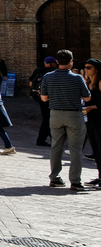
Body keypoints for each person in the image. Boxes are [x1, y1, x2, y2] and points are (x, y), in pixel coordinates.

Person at [40, 49, 92, 191]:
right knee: (75, 149)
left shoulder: (48, 77)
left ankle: (55, 178)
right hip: (74, 115)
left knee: (56, 146)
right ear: (71, 62)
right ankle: (75, 181)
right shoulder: (77, 78)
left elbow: (44, 98)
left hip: (55, 114)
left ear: (57, 62)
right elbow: (87, 98)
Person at [30, 56, 57, 146]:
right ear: (51, 63)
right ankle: (41, 139)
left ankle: (51, 137)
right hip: (49, 98)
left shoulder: (38, 70)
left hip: (39, 97)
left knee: (46, 117)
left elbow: (30, 82)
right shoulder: (51, 72)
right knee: (47, 119)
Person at [82, 58, 101, 187]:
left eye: (89, 67)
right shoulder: (87, 83)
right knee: (96, 150)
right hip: (90, 120)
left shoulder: (100, 83)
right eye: (85, 67)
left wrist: (91, 107)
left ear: (97, 69)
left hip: (99, 119)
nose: (86, 70)